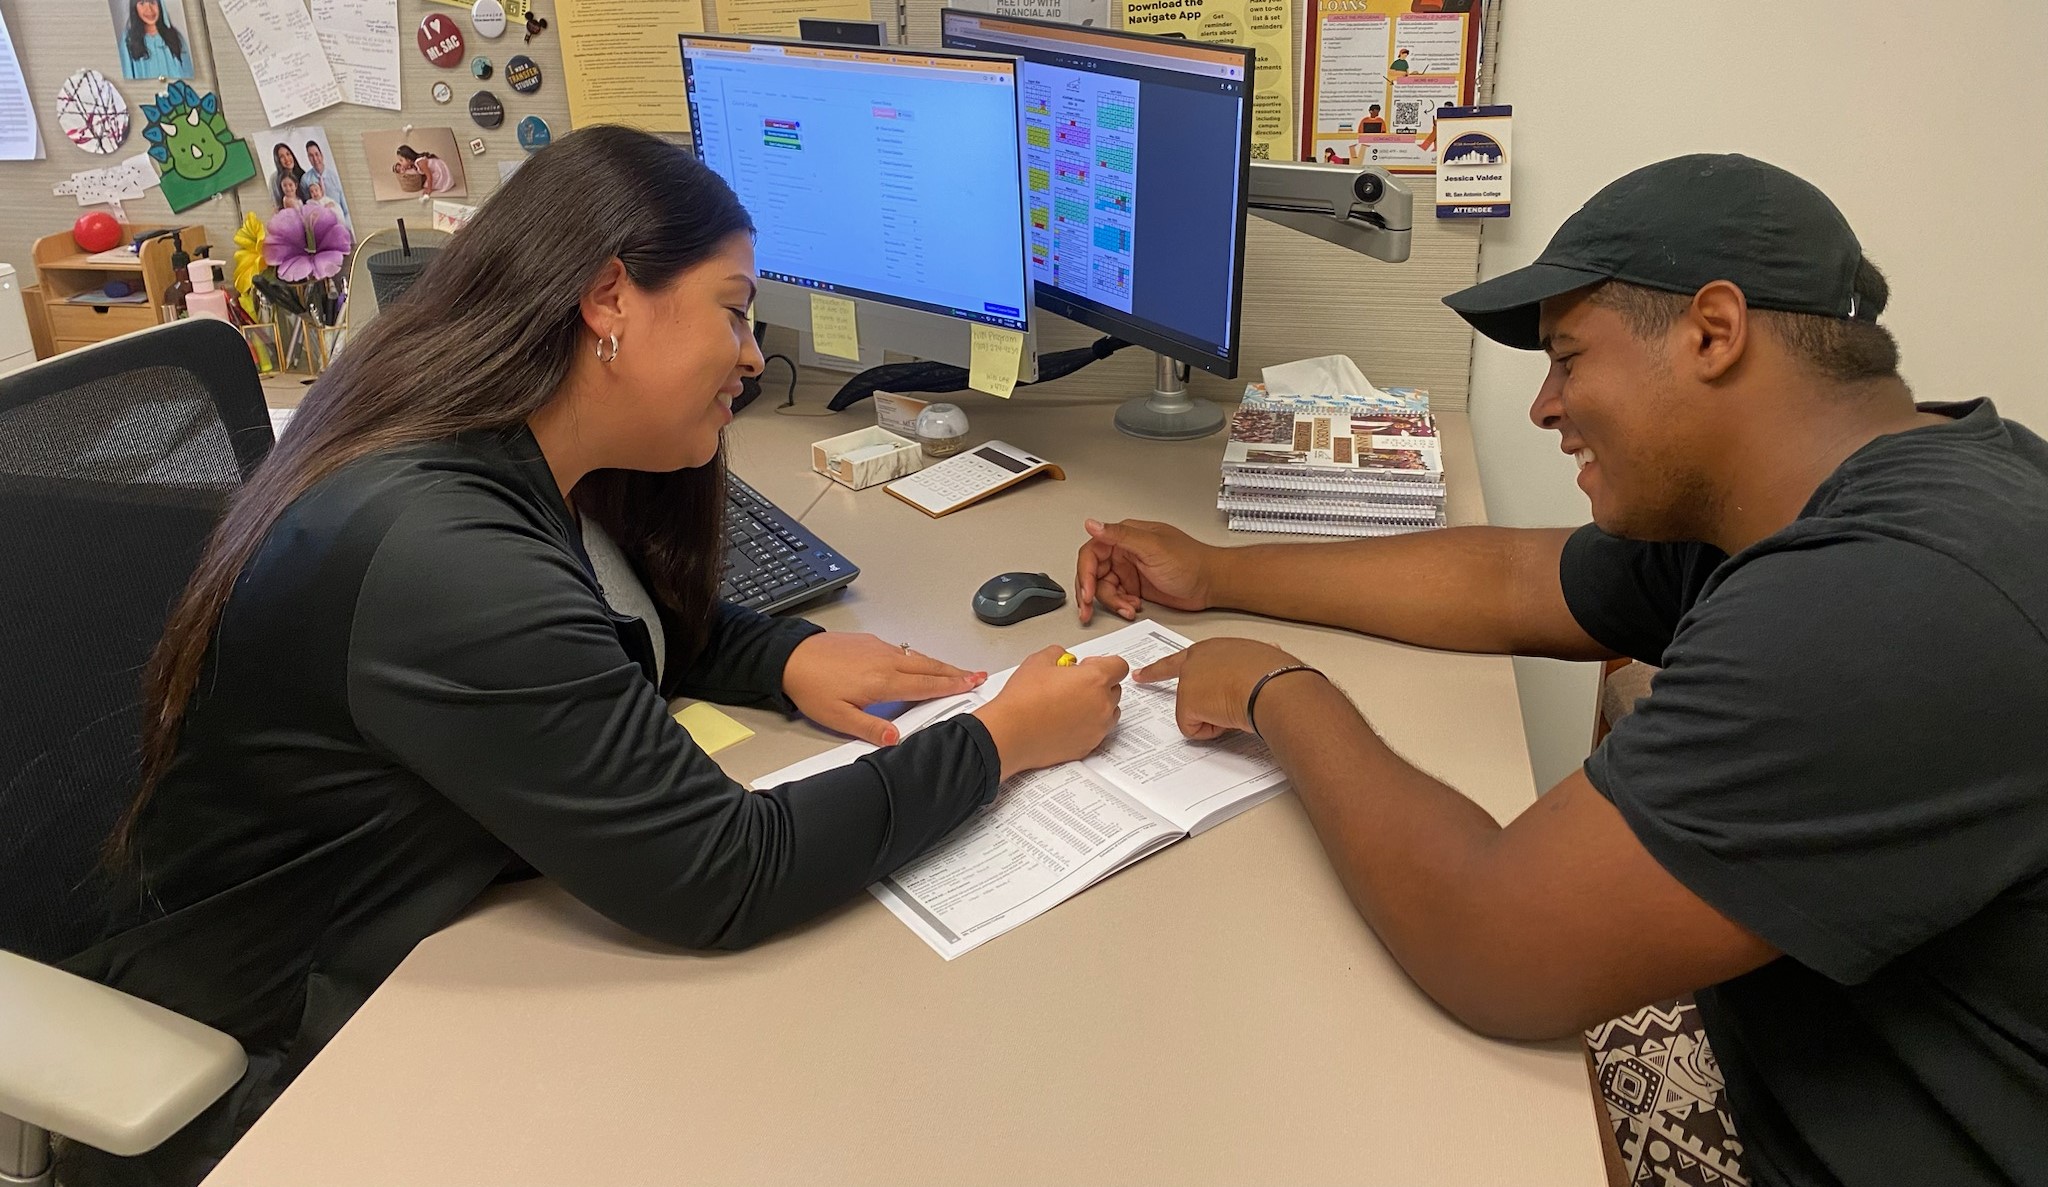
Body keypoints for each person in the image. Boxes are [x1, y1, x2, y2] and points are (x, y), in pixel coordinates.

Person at [59, 125, 1129, 1186]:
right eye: (733, 308)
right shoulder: (445, 550)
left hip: (415, 942)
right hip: (279, 1072)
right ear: (610, 298)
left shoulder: (489, 446)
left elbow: (614, 616)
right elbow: (726, 871)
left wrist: (780, 657)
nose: (754, 354)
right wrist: (998, 740)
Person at [1074, 154, 2048, 1185]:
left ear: (1711, 333)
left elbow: (1488, 944)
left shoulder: (1887, 603)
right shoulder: (1854, 484)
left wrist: (1275, 690)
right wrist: (1216, 571)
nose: (1544, 406)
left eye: (1568, 356)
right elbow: (1511, 578)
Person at [118, 0, 192, 80]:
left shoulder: (176, 38)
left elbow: (188, 75)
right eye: (142, 3)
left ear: (160, 5)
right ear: (135, 7)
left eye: (152, 2)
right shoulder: (128, 41)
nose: (149, 9)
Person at [302, 138, 349, 220]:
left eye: (317, 154)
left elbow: (346, 209)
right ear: (308, 158)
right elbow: (307, 208)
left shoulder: (335, 176)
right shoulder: (305, 179)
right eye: (311, 156)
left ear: (322, 155)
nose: (315, 159)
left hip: (338, 218)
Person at [268, 143, 305, 210]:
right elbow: (275, 205)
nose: (286, 158)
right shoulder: (274, 179)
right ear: (278, 160)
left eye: (288, 154)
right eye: (282, 157)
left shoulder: (302, 174)